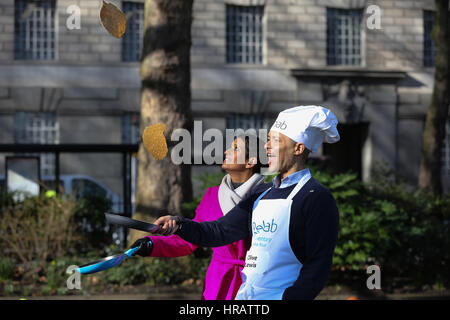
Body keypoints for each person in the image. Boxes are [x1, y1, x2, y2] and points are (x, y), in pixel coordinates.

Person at [152, 105, 341, 300]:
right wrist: (178, 224)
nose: (267, 146)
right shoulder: (261, 192)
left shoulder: (316, 197)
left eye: (275, 140)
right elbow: (219, 232)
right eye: (268, 139)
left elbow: (318, 265)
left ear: (298, 148)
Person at [130, 134, 269, 300]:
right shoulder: (212, 195)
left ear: (251, 161)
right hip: (217, 283)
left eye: (235, 148)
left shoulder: (268, 197)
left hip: (254, 284)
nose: (226, 151)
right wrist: (152, 244)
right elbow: (191, 239)